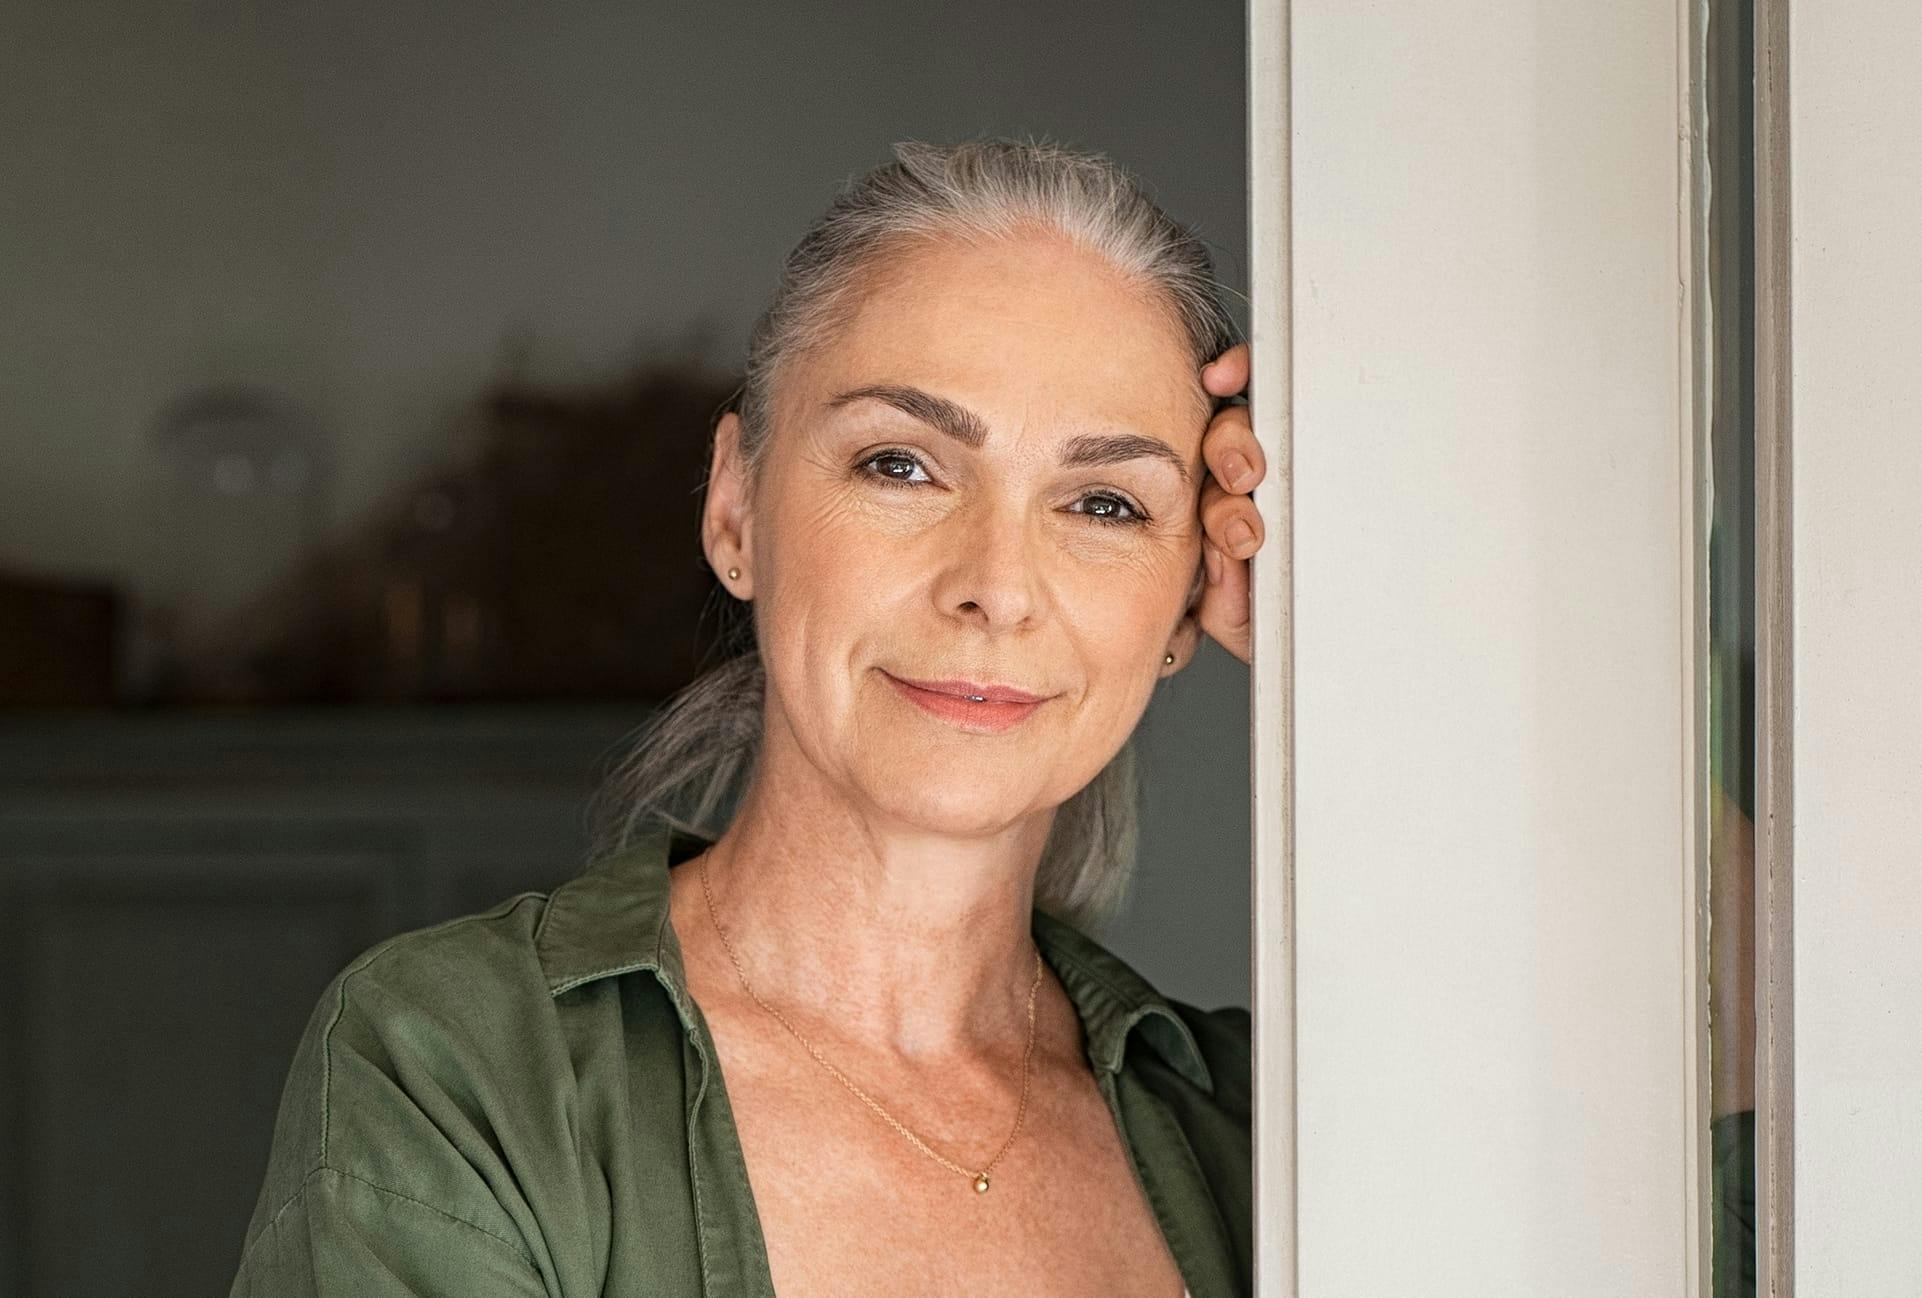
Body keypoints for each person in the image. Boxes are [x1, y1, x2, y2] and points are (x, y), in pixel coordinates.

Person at [228, 136, 1269, 1298]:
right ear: (735, 509)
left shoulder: (1265, 1138)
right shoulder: (465, 1069)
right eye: (901, 465)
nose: (998, 585)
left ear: (1188, 595)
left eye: (1105, 501)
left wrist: (1392, 658)